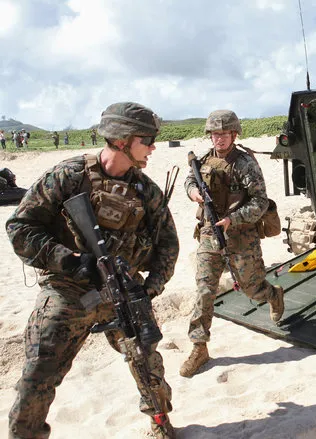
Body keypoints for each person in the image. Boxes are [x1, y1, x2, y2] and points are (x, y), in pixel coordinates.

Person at [6, 102, 179, 439]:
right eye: (147, 140)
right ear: (122, 140)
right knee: (37, 375)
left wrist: (149, 289)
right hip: (68, 289)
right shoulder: (68, 176)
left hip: (123, 291)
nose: (153, 148)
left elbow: (168, 246)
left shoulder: (147, 190)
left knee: (148, 366)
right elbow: (20, 228)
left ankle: (161, 425)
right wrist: (68, 259)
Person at [179, 109, 285, 378]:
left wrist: (232, 219)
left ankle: (273, 295)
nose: (219, 139)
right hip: (208, 235)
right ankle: (199, 347)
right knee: (204, 290)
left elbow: (260, 202)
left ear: (234, 134)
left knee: (252, 289)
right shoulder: (204, 161)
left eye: (224, 134)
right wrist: (193, 192)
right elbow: (190, 179)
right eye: (215, 134)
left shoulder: (245, 164)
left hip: (241, 236)